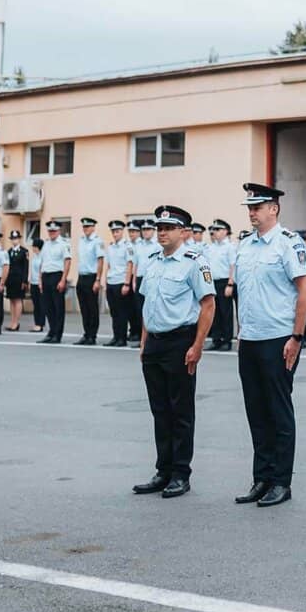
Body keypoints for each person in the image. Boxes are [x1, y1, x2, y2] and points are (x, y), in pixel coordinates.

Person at [233, 183, 306, 508]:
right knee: (256, 412)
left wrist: (296, 337)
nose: (252, 212)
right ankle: (262, 478)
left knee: (278, 412)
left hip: (279, 338)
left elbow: (305, 289)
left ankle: (281, 481)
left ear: (274, 209)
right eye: (249, 207)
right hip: (250, 339)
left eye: (258, 207)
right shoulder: (245, 245)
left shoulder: (288, 243)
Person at [132, 205, 216, 499]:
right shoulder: (152, 261)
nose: (162, 233)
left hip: (180, 342)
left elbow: (208, 305)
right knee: (160, 410)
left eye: (168, 228)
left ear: (184, 231)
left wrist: (197, 345)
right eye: (159, 228)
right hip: (154, 342)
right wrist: (144, 342)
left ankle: (181, 472)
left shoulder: (195, 262)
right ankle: (163, 470)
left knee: (180, 410)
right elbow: (147, 305)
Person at [101, 220, 135, 346]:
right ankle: (115, 337)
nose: (115, 234)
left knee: (122, 312)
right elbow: (108, 265)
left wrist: (127, 283)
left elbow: (130, 265)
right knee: (114, 312)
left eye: (117, 231)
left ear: (122, 231)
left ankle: (122, 338)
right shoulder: (110, 247)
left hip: (121, 282)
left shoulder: (127, 246)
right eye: (113, 231)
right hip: (111, 282)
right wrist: (105, 283)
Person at [205, 219, 238, 351]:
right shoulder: (210, 247)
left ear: (225, 231)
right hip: (212, 282)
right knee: (215, 312)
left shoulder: (230, 247)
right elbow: (207, 266)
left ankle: (227, 340)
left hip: (225, 282)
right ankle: (216, 339)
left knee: (226, 312)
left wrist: (230, 283)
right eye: (214, 230)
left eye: (218, 230)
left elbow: (232, 266)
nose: (215, 232)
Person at [37, 221, 72, 343]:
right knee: (48, 307)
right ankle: (51, 332)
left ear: (59, 231)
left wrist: (63, 280)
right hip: (46, 276)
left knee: (58, 307)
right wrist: (40, 280)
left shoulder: (64, 244)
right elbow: (42, 263)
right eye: (50, 231)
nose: (51, 233)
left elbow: (67, 261)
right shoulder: (46, 244)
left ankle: (58, 334)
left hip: (57, 276)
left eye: (54, 231)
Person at [74, 217, 105, 345]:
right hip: (81, 277)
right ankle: (86, 334)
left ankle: (92, 335)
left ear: (93, 227)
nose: (85, 229)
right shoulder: (81, 241)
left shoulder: (97, 242)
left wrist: (97, 279)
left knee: (92, 308)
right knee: (84, 308)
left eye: (87, 227)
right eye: (84, 227)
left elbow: (100, 261)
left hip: (92, 277)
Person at [130, 220, 160, 346]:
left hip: (152, 279)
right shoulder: (139, 245)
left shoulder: (157, 245)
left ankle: (153, 338)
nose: (146, 232)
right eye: (144, 229)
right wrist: (133, 280)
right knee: (141, 310)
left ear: (153, 230)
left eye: (149, 229)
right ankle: (143, 338)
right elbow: (135, 264)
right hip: (140, 278)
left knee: (152, 309)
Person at [3, 230, 28, 332]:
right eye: (13, 239)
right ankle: (12, 322)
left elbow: (26, 267)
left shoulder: (24, 251)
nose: (14, 240)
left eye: (16, 238)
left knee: (17, 300)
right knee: (11, 300)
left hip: (19, 280)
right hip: (10, 280)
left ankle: (16, 323)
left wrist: (25, 281)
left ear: (19, 239)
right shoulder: (8, 252)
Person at [28, 237, 45, 333]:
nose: (33, 248)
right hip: (33, 283)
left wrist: (40, 282)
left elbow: (41, 270)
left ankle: (40, 324)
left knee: (41, 304)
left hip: (40, 284)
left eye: (34, 246)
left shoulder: (43, 256)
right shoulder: (34, 256)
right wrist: (30, 281)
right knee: (35, 304)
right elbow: (31, 269)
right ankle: (36, 323)